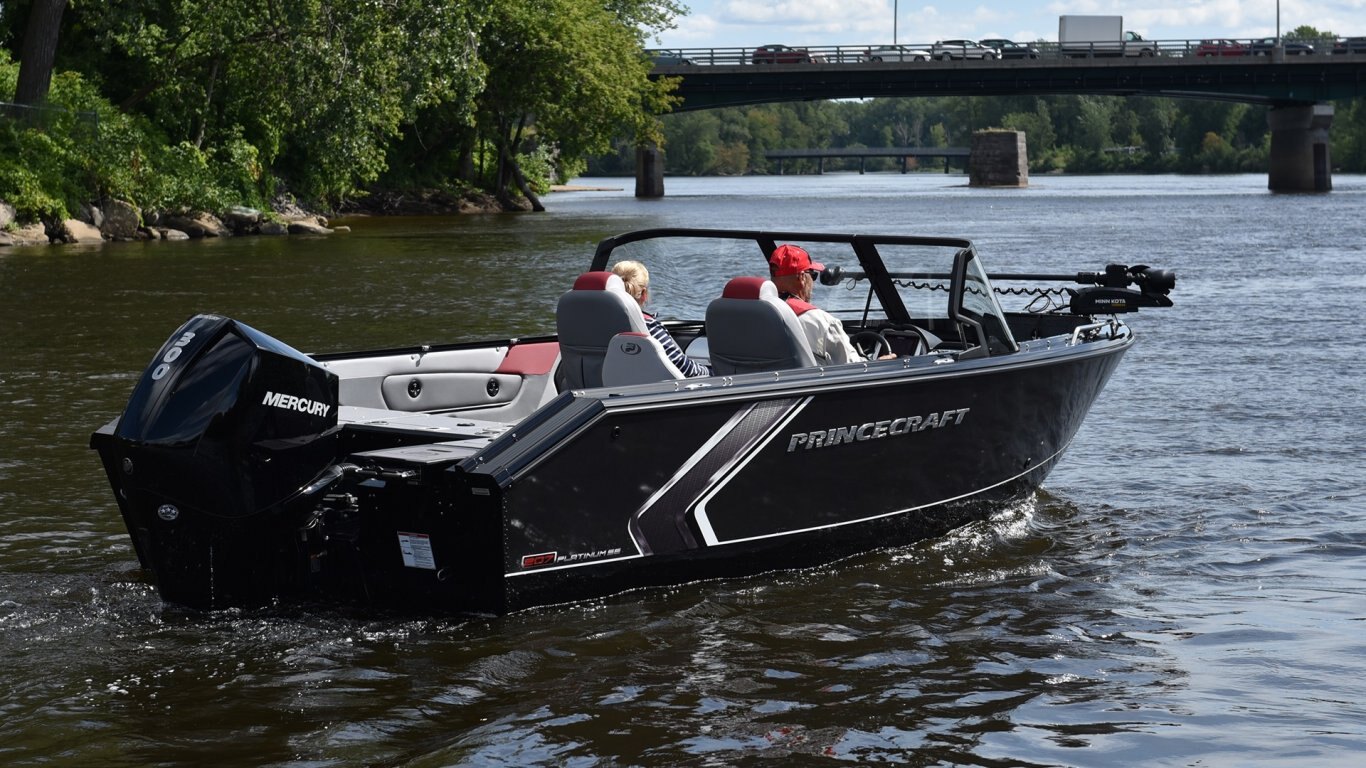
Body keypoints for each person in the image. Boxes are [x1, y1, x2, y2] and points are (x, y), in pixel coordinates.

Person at [768, 243, 894, 364]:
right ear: (801, 278)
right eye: (813, 275)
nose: (813, 282)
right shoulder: (821, 321)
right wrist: (879, 364)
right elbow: (852, 368)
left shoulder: (762, 314)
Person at [611, 260, 711, 377]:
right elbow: (683, 368)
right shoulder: (648, 326)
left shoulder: (598, 324)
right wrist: (711, 372)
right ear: (644, 294)